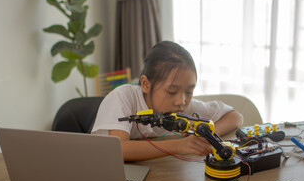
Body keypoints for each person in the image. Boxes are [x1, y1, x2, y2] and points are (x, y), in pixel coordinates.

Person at [92, 41, 243, 161]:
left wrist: (206, 135)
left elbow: (235, 117)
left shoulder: (184, 108)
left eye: (189, 91)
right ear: (146, 84)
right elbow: (120, 149)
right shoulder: (123, 97)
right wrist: (178, 146)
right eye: (171, 91)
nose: (181, 101)